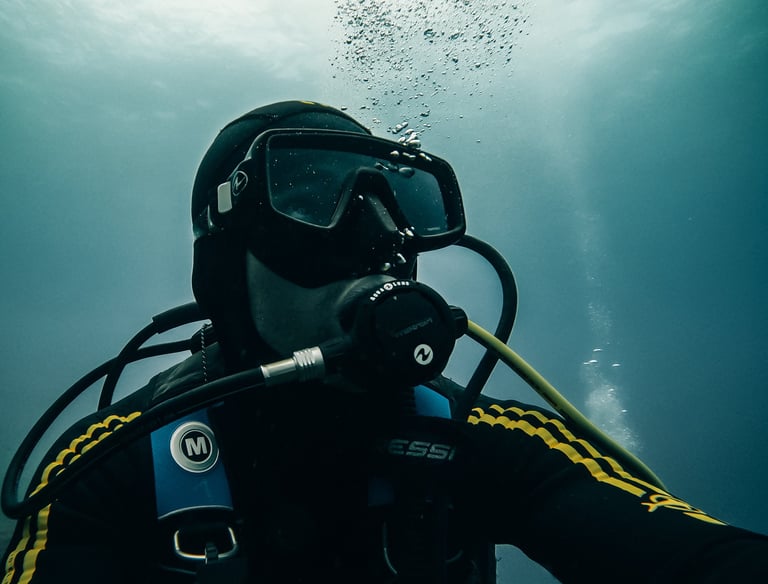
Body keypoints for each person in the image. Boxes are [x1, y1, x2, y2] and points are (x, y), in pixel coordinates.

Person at [2, 100, 767, 584]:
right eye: (307, 196)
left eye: (396, 201)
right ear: (224, 266)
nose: (374, 239)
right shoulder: (116, 464)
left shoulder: (482, 438)